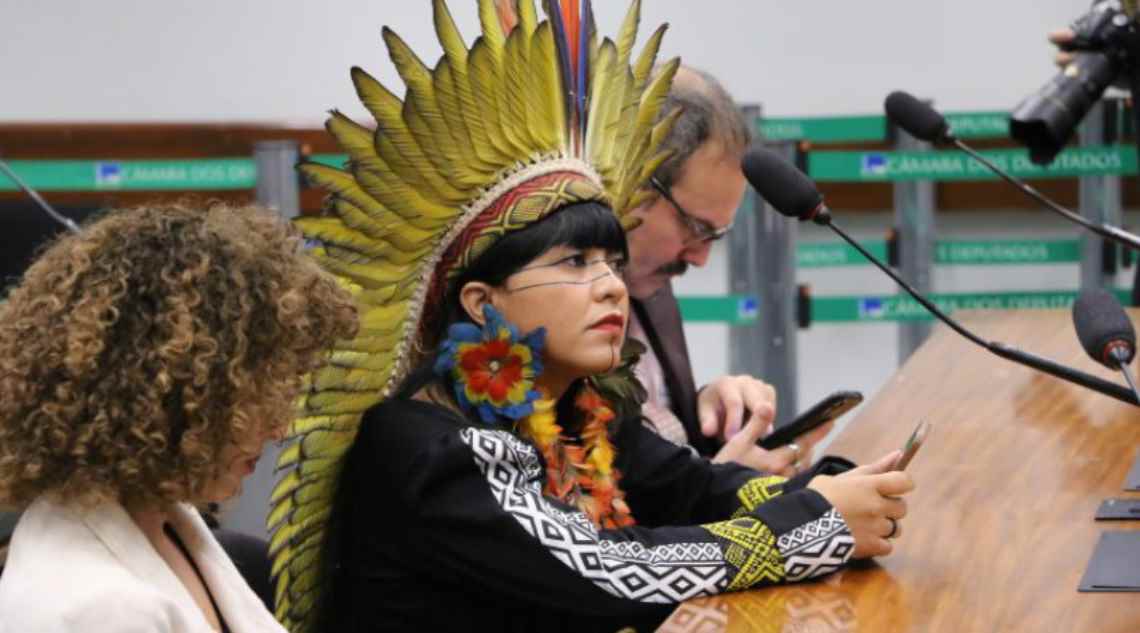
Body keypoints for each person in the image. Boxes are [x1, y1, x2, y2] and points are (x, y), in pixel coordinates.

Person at [267, 2, 915, 632]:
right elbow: (609, 570)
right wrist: (817, 522)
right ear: (482, 302)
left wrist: (832, 488)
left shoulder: (576, 407)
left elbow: (697, 488)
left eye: (611, 261)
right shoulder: (428, 450)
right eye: (576, 262)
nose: (610, 287)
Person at [0, 202, 357, 632]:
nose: (279, 428)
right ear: (163, 392)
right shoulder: (96, 606)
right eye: (254, 396)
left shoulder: (162, 521)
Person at [623, 66, 831, 476]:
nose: (700, 258)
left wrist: (708, 416)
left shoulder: (649, 283)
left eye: (715, 236)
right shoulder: (545, 310)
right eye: (695, 228)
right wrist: (728, 486)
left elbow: (651, 454)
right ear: (629, 183)